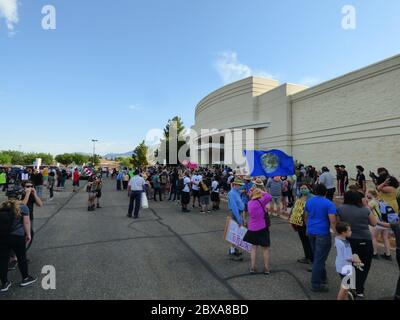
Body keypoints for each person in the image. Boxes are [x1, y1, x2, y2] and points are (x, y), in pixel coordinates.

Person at [337, 191, 377, 299]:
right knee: (363, 265)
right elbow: (374, 223)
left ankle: (349, 286)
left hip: (348, 240)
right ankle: (359, 290)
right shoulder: (365, 209)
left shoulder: (340, 208)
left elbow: (338, 223)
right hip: (364, 240)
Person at [0, 189, 38, 293]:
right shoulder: (23, 207)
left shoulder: (2, 206)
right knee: (21, 258)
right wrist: (29, 235)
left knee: (3, 260)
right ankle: (25, 278)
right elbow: (26, 223)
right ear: (19, 196)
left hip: (2, 237)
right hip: (17, 237)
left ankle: (4, 284)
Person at [305, 184, 337, 292]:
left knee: (317, 256)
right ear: (326, 192)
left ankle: (323, 278)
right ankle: (315, 284)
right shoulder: (329, 204)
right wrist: (337, 234)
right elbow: (332, 221)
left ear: (315, 191)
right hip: (322, 233)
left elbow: (306, 216)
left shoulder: (309, 201)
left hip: (311, 231)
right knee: (319, 258)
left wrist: (307, 227)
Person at [243, 188, 273, 274]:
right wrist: (262, 191)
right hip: (262, 227)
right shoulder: (262, 201)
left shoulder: (249, 203)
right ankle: (267, 268)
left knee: (253, 248)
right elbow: (269, 196)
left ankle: (252, 267)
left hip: (252, 228)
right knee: (265, 249)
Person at [335, 222, 362, 300]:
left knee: (346, 287)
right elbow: (348, 257)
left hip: (340, 265)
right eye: (349, 230)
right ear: (343, 232)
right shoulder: (345, 243)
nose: (351, 232)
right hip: (345, 267)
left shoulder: (338, 239)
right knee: (344, 287)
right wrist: (356, 259)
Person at [289, 184, 314, 265]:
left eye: (305, 188)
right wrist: (291, 217)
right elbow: (294, 208)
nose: (303, 189)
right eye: (301, 188)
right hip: (299, 222)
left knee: (309, 241)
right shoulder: (298, 197)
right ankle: (307, 256)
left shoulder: (312, 198)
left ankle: (311, 258)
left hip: (308, 222)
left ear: (308, 189)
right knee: (304, 240)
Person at [366, 189, 392, 260]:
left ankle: (374, 253)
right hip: (385, 222)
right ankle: (388, 254)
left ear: (370, 194)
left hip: (377, 223)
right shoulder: (381, 200)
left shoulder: (372, 202)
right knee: (385, 238)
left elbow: (367, 211)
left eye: (367, 193)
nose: (366, 195)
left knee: (373, 237)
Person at [227, 178, 245, 261]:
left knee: (236, 232)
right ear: (235, 185)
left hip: (238, 212)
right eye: (239, 185)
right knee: (234, 232)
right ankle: (232, 250)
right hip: (235, 213)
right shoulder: (232, 193)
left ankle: (233, 249)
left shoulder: (236, 192)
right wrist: (239, 218)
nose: (240, 186)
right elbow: (234, 207)